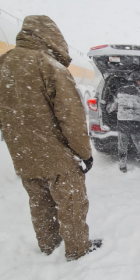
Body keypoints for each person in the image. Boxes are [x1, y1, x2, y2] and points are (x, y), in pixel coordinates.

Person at [0, 15, 101, 261]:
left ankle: (48, 244)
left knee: (39, 204)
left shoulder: (3, 64)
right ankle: (78, 250)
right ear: (52, 37)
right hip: (57, 156)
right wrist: (85, 154)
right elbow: (72, 120)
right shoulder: (49, 67)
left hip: (23, 156)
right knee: (72, 204)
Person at [107, 72, 140, 173]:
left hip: (123, 123)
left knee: (122, 146)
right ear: (137, 81)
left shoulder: (120, 90)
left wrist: (109, 108)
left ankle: (123, 166)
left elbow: (112, 107)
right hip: (136, 123)